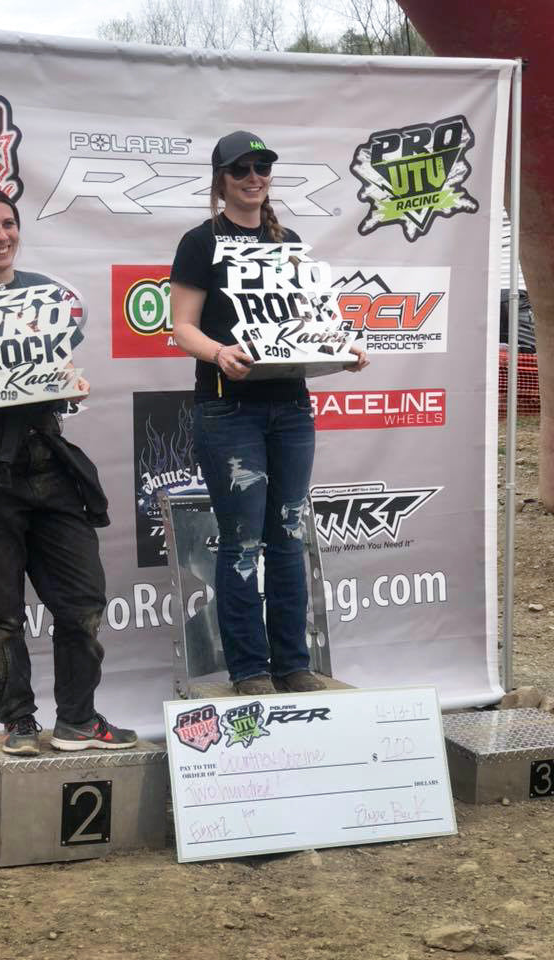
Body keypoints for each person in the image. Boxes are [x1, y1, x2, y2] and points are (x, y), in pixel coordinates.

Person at [0, 183, 137, 756]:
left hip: (47, 458)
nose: (0, 236)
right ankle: (18, 722)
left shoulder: (45, 295)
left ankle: (79, 721)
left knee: (82, 598)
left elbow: (55, 376)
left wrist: (73, 388)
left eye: (7, 224)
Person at [170, 131, 368, 697]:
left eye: (262, 167)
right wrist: (218, 352)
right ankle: (249, 669)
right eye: (241, 170)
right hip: (228, 410)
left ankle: (293, 663)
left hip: (289, 405)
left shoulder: (290, 240)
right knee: (240, 542)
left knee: (287, 534)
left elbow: (306, 323)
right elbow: (181, 325)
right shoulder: (199, 241)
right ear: (221, 181)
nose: (254, 177)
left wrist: (340, 347)